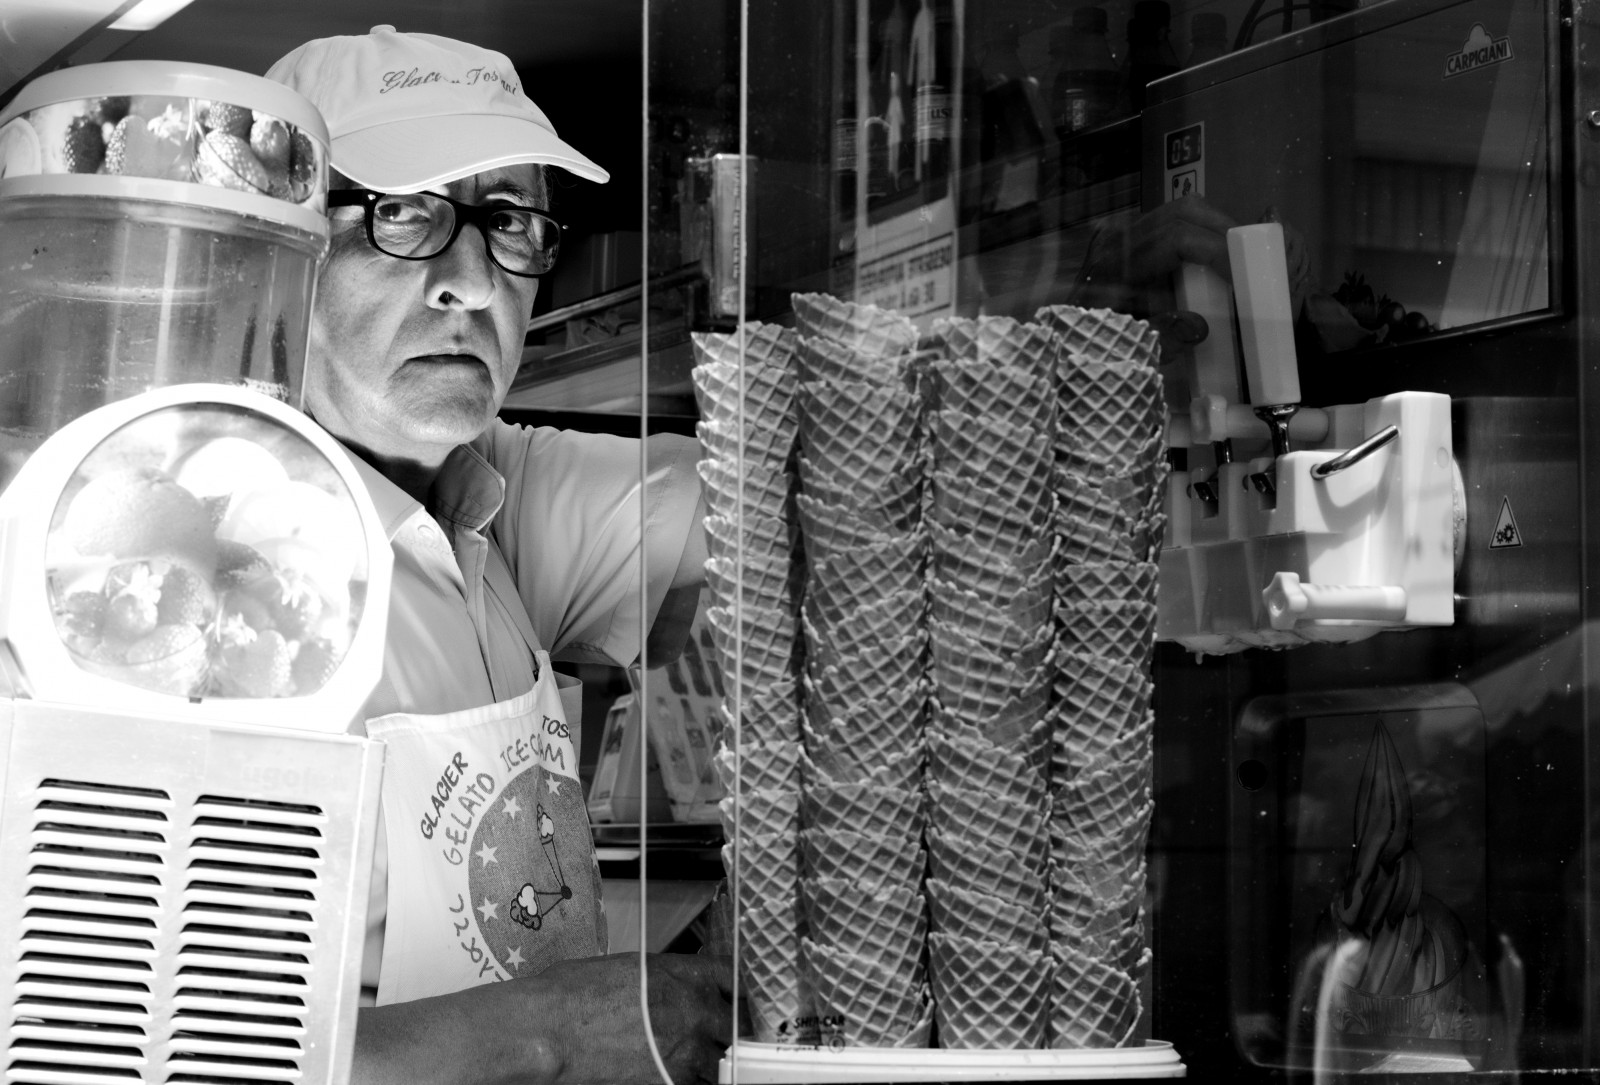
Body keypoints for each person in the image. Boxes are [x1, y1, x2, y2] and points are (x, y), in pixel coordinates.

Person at [264, 25, 731, 1085]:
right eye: (402, 211)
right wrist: (551, 1035)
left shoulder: (486, 487)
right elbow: (108, 1050)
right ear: (282, 243)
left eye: (509, 220)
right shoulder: (189, 570)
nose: (472, 283)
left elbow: (784, 505)